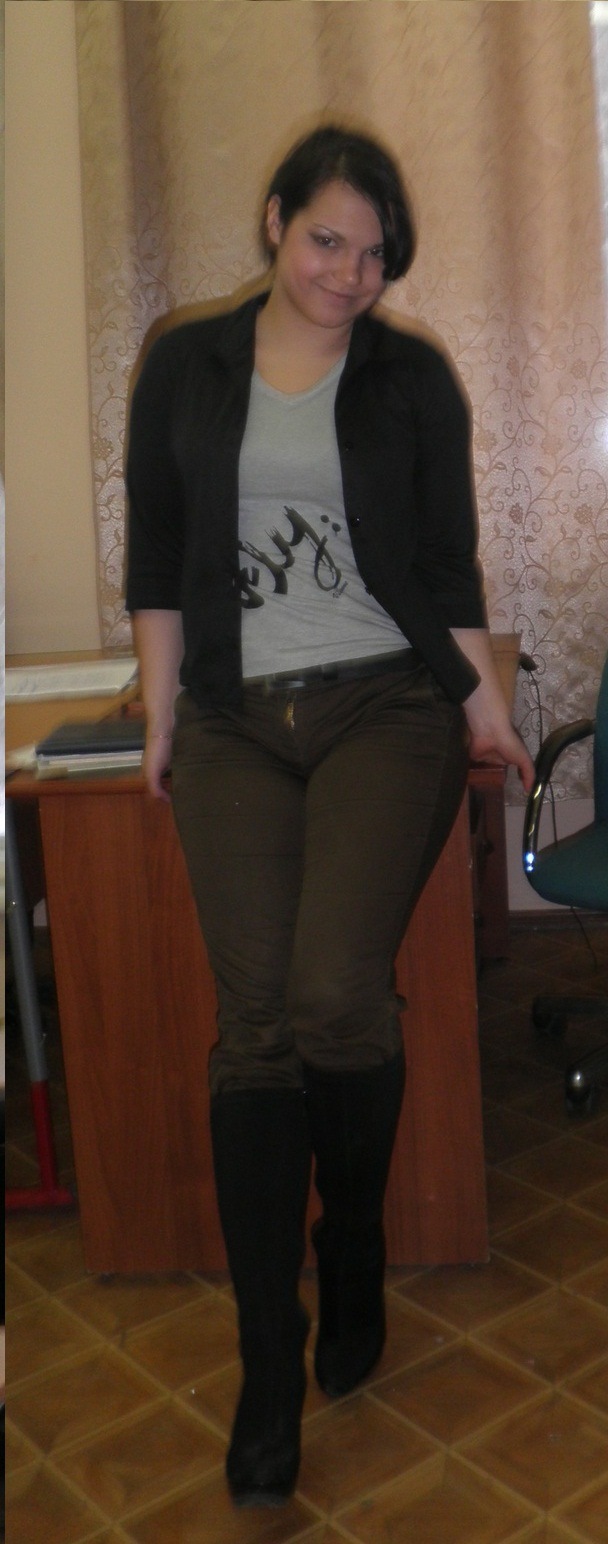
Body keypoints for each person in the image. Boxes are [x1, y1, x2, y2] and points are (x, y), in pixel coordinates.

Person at [125, 123, 534, 1508]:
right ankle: (266, 1361)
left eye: (374, 255)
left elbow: (448, 569)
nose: (349, 274)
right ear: (273, 221)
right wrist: (160, 717)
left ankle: (351, 1243)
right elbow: (160, 560)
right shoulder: (185, 366)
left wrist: (485, 708)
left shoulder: (411, 382)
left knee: (334, 997)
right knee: (255, 1028)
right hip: (235, 718)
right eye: (326, 241)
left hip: (383, 707)